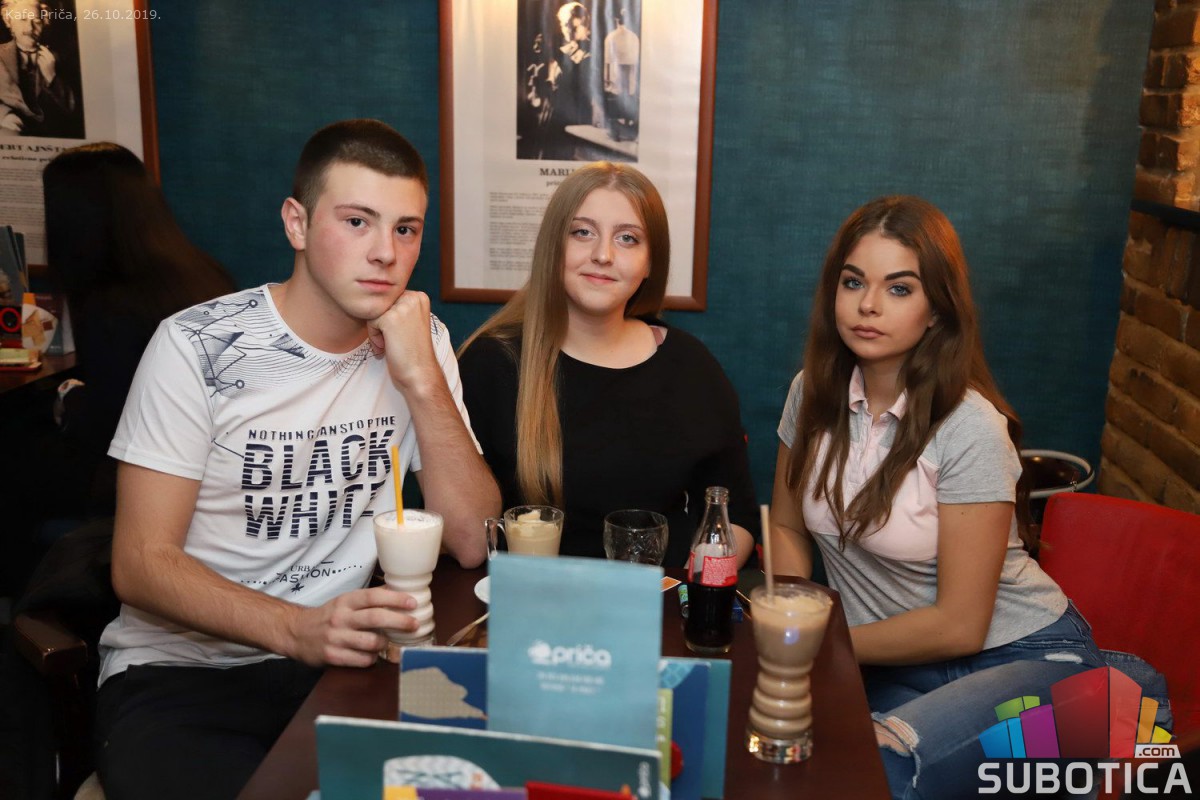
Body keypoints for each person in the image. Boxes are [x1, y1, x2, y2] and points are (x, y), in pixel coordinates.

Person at [93, 119, 500, 799]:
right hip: (185, 676)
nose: (385, 253)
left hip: (347, 664)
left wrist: (422, 381)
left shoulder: (422, 340)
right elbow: (139, 563)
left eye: (405, 229)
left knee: (483, 777)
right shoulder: (197, 345)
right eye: (357, 221)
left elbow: (471, 540)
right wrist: (295, 627)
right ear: (297, 223)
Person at [768, 195, 1107, 799]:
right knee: (800, 762)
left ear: (935, 312)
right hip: (892, 662)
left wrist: (816, 641)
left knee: (885, 777)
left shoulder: (969, 426)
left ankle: (1112, 693)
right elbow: (787, 527)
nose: (868, 305)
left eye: (899, 288)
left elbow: (960, 626)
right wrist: (792, 613)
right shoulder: (811, 393)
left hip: (1019, 656)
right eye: (853, 282)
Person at [457, 161, 758, 568]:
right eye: (582, 232)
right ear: (552, 247)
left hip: (663, 599)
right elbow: (460, 530)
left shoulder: (692, 367)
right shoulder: (491, 364)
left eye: (628, 238)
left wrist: (698, 583)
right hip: (531, 600)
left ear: (650, 263)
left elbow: (736, 518)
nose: (602, 255)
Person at [0, 0, 82, 138]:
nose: (30, 28)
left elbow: (75, 109)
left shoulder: (61, 58)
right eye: (22, 19)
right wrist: (4, 116)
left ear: (44, 22)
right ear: (9, 22)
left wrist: (52, 79)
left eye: (37, 21)